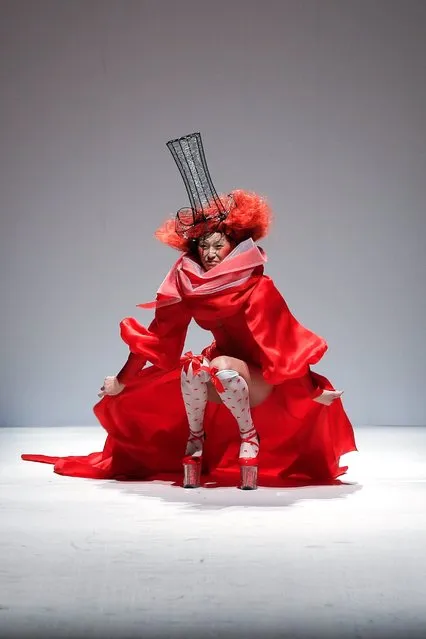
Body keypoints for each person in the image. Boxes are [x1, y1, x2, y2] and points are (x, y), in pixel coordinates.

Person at [22, 133, 357, 489]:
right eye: (203, 246)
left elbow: (284, 342)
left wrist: (311, 386)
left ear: (235, 245)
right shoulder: (186, 285)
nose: (211, 253)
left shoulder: (259, 287)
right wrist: (122, 379)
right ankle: (194, 445)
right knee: (195, 368)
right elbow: (159, 336)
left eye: (219, 245)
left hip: (259, 379)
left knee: (221, 367)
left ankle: (250, 439)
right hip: (219, 373)